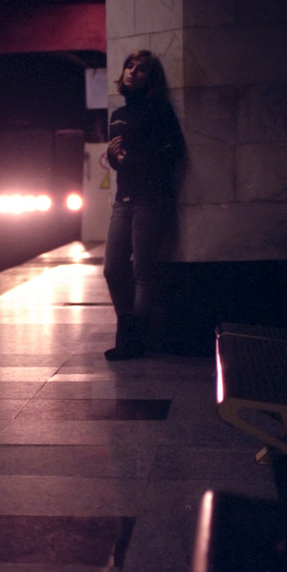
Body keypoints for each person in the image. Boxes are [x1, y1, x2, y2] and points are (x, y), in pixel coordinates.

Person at [103, 50, 184, 361]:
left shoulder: (159, 110)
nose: (132, 72)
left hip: (151, 199)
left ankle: (133, 341)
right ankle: (129, 330)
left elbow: (173, 151)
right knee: (112, 269)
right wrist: (114, 158)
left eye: (140, 70)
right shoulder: (118, 114)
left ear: (151, 79)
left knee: (143, 270)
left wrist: (129, 159)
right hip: (124, 199)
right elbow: (119, 159)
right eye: (129, 66)